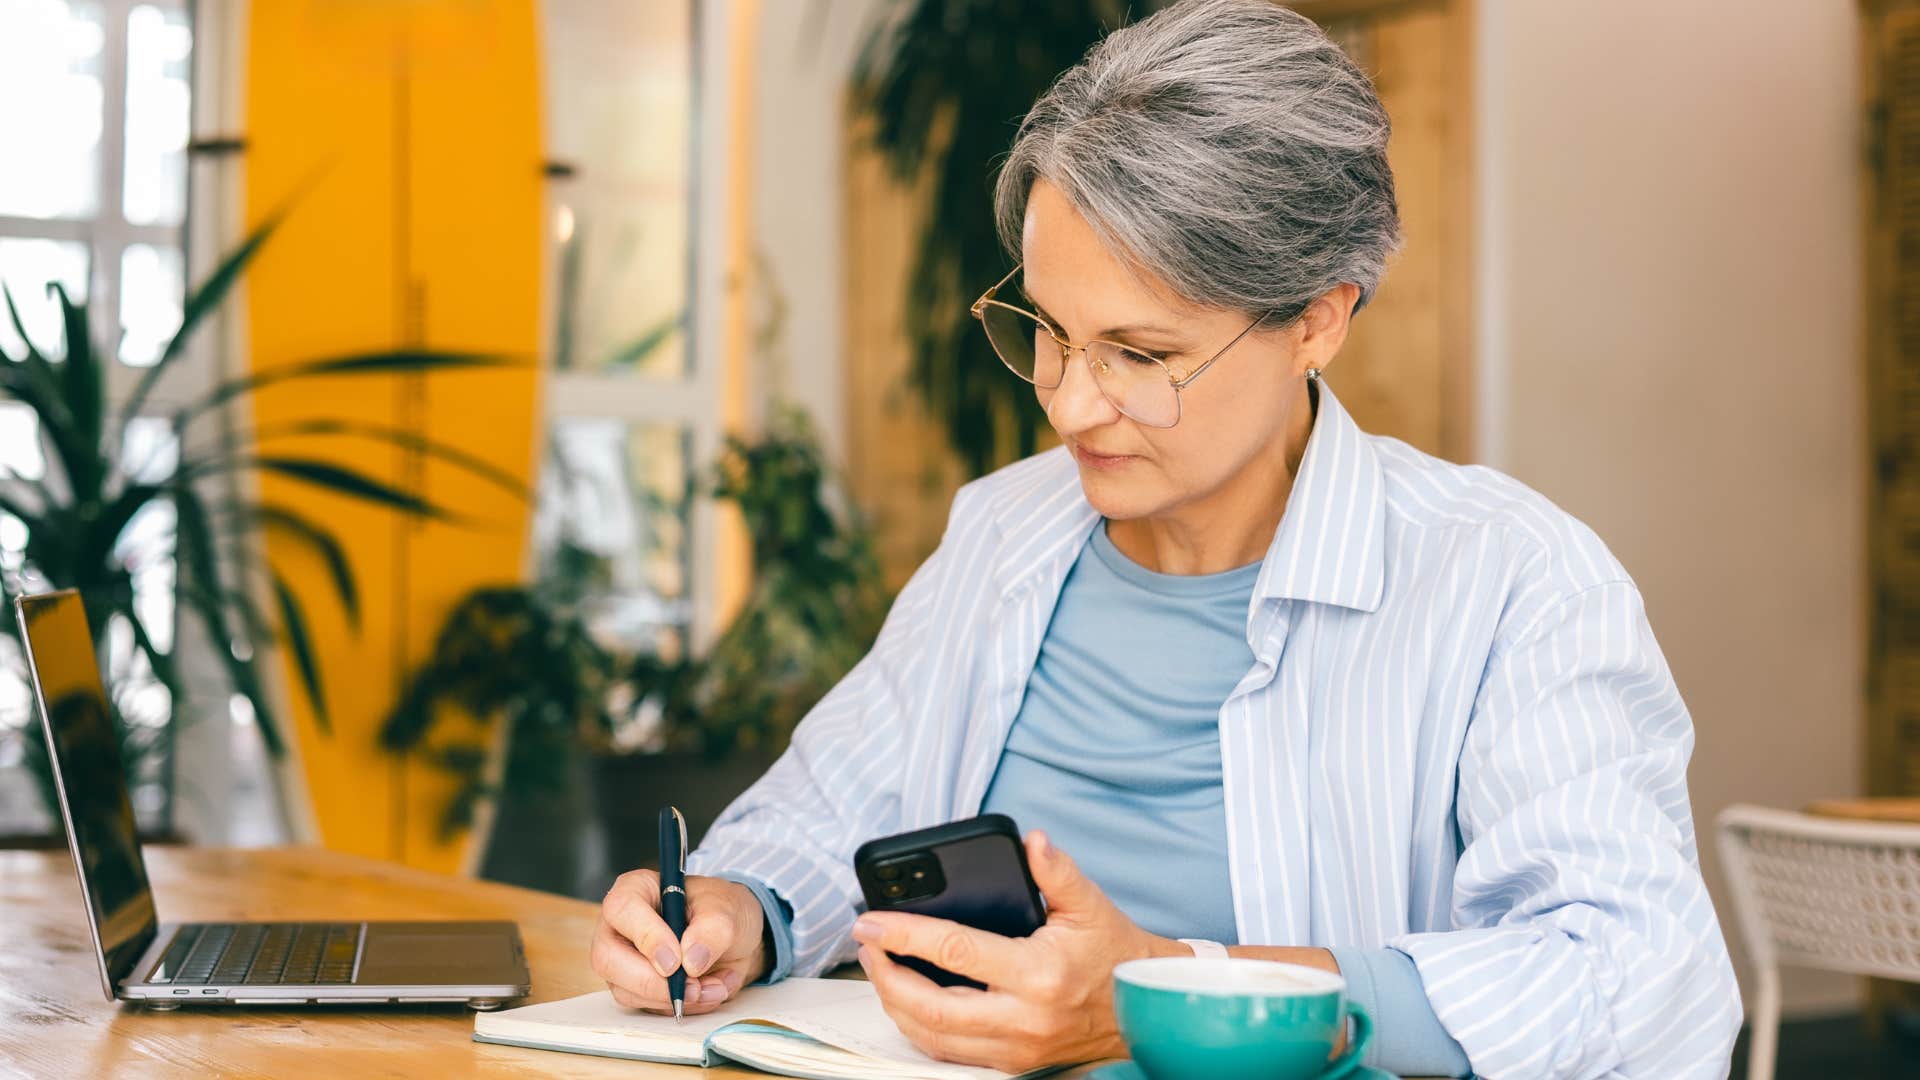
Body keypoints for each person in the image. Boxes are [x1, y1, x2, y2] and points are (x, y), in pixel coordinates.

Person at [589, 0, 1741, 1075]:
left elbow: (1637, 976)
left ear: (1320, 319)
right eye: (1048, 330)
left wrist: (1161, 987)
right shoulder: (1006, 532)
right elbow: (832, 802)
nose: (1072, 404)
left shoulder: (1509, 579)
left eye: (1140, 356)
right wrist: (742, 908)